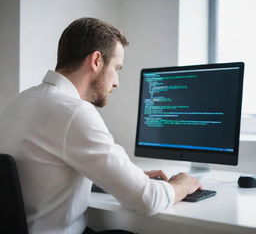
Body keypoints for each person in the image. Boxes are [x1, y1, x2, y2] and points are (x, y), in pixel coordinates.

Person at [0, 17, 201, 234]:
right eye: (117, 68)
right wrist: (181, 184)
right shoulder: (74, 112)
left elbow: (40, 175)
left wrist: (126, 177)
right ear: (96, 60)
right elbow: (147, 201)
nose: (116, 82)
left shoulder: (20, 101)